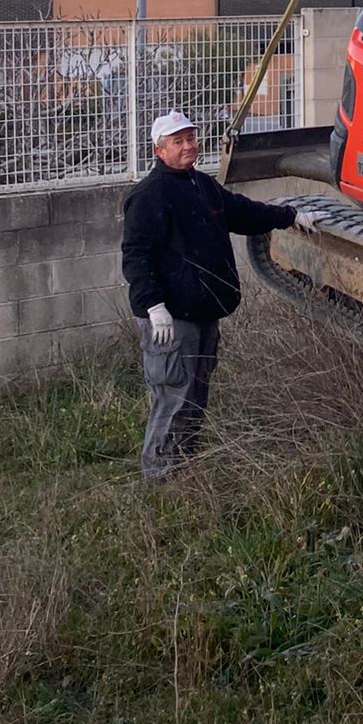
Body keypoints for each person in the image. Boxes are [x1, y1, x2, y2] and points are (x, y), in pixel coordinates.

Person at [121, 109, 322, 480]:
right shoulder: (149, 195)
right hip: (172, 319)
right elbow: (136, 255)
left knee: (196, 394)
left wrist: (288, 216)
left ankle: (184, 467)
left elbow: (241, 212)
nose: (188, 146)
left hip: (203, 312)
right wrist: (154, 305)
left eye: (191, 138)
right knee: (173, 395)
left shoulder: (200, 185)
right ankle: (160, 477)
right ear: (159, 150)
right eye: (178, 141)